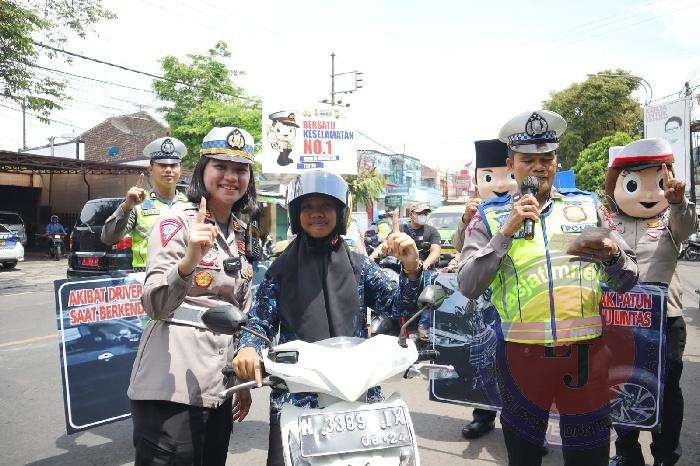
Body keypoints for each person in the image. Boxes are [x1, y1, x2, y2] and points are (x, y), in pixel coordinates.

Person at [458, 109, 638, 466]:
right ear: (511, 164)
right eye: (528, 160)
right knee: (524, 456)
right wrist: (505, 233)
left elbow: (630, 277)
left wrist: (613, 256)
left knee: (590, 456)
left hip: (586, 357)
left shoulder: (587, 207)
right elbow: (467, 284)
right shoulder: (490, 216)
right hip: (521, 360)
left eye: (547, 159)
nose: (539, 168)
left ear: (556, 161)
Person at [231, 169, 428, 466]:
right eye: (307, 207)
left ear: (340, 212)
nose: (316, 213)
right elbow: (260, 320)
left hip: (358, 389)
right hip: (297, 393)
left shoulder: (361, 266)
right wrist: (248, 347)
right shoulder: (280, 270)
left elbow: (400, 307)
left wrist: (411, 268)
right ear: (296, 214)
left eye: (325, 205)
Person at [127, 126, 258, 465]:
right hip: (171, 386)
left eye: (240, 169)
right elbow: (155, 305)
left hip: (218, 386)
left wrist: (241, 380)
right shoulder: (177, 223)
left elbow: (239, 311)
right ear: (203, 170)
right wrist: (188, 262)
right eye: (221, 167)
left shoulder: (242, 233)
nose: (231, 177)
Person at [605, 139, 697, 466]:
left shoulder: (671, 218)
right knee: (620, 385)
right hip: (618, 320)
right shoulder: (607, 221)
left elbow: (687, 228)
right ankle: (628, 452)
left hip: (664, 320)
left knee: (667, 390)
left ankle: (665, 455)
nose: (646, 193)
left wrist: (678, 201)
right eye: (633, 183)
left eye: (656, 182)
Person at [451, 139, 518, 440]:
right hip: (484, 298)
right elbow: (459, 246)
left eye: (508, 175)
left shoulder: (528, 206)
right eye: (489, 177)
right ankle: (483, 415)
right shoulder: (477, 214)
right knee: (485, 359)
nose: (500, 185)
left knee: (518, 368)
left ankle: (529, 428)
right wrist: (465, 220)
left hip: (518, 299)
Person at [101, 136, 189, 271]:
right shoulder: (138, 203)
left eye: (173, 165)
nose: (168, 169)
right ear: (150, 169)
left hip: (182, 274)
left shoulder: (190, 205)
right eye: (162, 165)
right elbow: (108, 238)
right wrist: (127, 206)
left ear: (180, 169)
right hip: (145, 274)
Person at [371, 203, 442, 269]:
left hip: (424, 270)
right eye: (420, 213)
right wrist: (370, 260)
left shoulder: (432, 231)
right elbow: (384, 245)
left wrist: (425, 264)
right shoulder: (401, 228)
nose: (423, 216)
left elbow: (435, 251)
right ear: (411, 215)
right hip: (400, 268)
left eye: (425, 214)